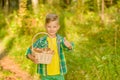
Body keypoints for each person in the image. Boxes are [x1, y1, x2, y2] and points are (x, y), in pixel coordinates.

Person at [26, 13, 74, 80]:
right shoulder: (41, 41)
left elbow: (70, 48)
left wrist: (69, 46)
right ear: (45, 26)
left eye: (54, 27)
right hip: (45, 74)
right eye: (49, 26)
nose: (52, 29)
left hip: (59, 73)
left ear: (58, 27)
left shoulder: (61, 40)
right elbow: (28, 51)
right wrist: (32, 58)